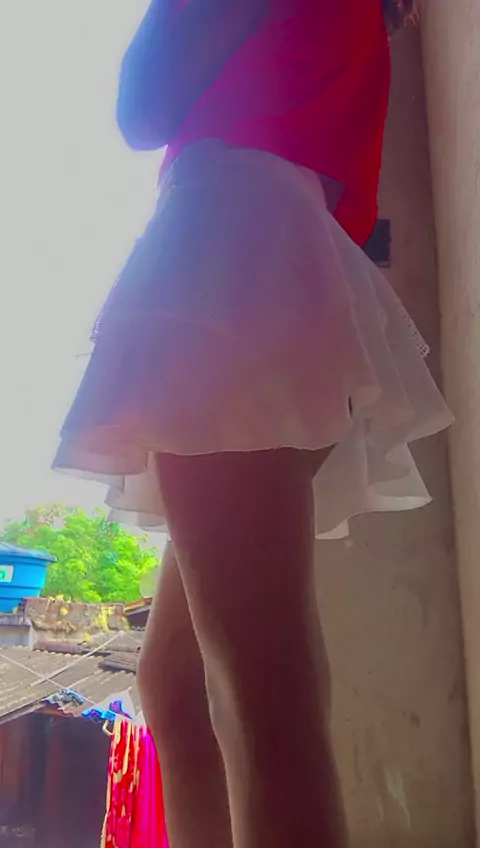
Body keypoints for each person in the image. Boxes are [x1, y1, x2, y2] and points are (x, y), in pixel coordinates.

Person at [53, 1, 453, 846]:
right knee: (180, 684)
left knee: (261, 698)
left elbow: (142, 106)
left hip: (230, 249)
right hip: (285, 255)